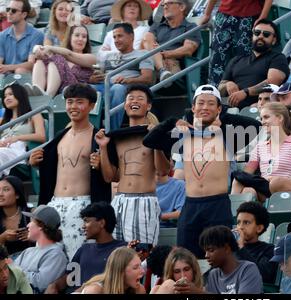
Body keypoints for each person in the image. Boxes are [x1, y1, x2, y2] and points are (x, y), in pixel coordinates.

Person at [143, 84, 261, 258]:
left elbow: (255, 125)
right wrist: (172, 121)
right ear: (193, 107)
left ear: (219, 108)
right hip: (190, 205)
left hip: (217, 204)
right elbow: (149, 141)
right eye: (201, 103)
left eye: (211, 104)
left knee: (220, 257)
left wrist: (222, 119)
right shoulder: (183, 136)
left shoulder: (228, 136)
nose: (205, 107)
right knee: (186, 258)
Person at [29, 84, 111, 260]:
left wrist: (100, 162)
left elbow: (110, 176)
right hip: (55, 204)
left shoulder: (98, 138)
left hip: (82, 205)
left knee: (77, 260)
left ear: (91, 106)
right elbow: (50, 169)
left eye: (79, 102)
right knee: (46, 256)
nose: (73, 106)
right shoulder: (60, 136)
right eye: (69, 102)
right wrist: (35, 163)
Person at [95, 84, 167, 247]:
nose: (134, 101)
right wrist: (103, 147)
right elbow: (110, 177)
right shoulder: (116, 137)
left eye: (140, 98)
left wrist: (155, 139)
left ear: (148, 106)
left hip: (144, 201)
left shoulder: (157, 132)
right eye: (130, 98)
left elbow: (163, 171)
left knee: (143, 253)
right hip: (119, 201)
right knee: (116, 253)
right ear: (125, 104)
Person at [44, 202, 127, 294]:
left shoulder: (122, 249)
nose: (83, 226)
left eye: (87, 221)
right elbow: (70, 277)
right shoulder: (84, 249)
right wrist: (55, 285)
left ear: (102, 223)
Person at [231, 102, 291, 201]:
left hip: (286, 191)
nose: (262, 122)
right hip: (265, 189)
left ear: (280, 118)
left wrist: (275, 179)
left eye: (266, 117)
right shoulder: (260, 146)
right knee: (245, 188)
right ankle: (231, 213)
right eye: (261, 118)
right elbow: (247, 173)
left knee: (276, 182)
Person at [91, 23, 154, 130]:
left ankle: (111, 131)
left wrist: (128, 80)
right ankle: (90, 130)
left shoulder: (142, 54)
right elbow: (97, 74)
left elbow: (148, 78)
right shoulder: (108, 56)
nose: (116, 40)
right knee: (87, 89)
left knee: (118, 88)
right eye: (114, 37)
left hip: (126, 88)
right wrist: (92, 79)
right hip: (105, 85)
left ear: (131, 37)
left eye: (120, 36)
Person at [218, 19, 290, 109]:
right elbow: (220, 88)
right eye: (257, 33)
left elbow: (273, 82)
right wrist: (227, 85)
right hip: (229, 108)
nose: (260, 36)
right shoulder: (237, 59)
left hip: (259, 109)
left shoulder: (278, 58)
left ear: (274, 40)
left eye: (266, 34)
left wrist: (246, 92)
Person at [200, 0, 274, 86]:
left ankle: (244, 88)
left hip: (249, 15)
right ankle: (213, 89)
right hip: (224, 14)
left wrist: (263, 16)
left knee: (244, 55)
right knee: (218, 54)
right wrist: (207, 14)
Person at [141, 0, 201, 83]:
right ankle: (162, 71)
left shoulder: (191, 27)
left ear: (182, 7)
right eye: (164, 4)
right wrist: (158, 57)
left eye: (169, 3)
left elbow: (188, 49)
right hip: (153, 64)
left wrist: (164, 54)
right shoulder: (157, 26)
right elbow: (147, 41)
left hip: (174, 63)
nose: (165, 7)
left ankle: (162, 71)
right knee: (147, 37)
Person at [27, 25, 96, 97]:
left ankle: (48, 96)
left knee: (57, 58)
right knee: (41, 59)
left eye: (84, 37)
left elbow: (69, 54)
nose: (80, 39)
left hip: (75, 91)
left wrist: (48, 48)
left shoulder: (91, 58)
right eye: (77, 35)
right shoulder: (61, 56)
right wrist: (38, 49)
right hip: (58, 90)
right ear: (70, 38)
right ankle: (38, 92)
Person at [15, 205, 68, 293]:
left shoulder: (56, 254)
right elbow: (9, 273)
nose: (27, 225)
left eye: (31, 221)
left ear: (41, 226)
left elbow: (40, 284)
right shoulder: (27, 251)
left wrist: (17, 273)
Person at [200, 225, 263, 294]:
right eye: (205, 251)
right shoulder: (213, 275)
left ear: (227, 248)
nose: (206, 255)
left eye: (211, 250)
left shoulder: (248, 269)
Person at [0, 83, 45, 175]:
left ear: (20, 95)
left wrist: (17, 138)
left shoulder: (34, 115)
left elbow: (41, 136)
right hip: (3, 149)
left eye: (11, 94)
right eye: (5, 96)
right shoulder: (2, 120)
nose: (7, 98)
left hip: (19, 152)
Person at [233, 201, 278, 284]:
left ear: (259, 228)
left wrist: (241, 248)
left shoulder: (269, 250)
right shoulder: (230, 249)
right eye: (238, 222)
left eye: (246, 222)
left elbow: (263, 275)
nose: (240, 227)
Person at [0, 0, 44, 74]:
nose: (9, 13)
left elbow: (31, 64)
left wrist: (8, 67)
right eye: (8, 9)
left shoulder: (37, 35)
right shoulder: (2, 36)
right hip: (5, 76)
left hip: (26, 78)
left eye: (13, 10)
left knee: (20, 70)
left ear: (24, 14)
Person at [80, 247, 146, 294]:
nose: (143, 271)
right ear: (120, 271)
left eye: (141, 265)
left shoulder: (139, 290)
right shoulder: (95, 290)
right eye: (135, 267)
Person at [0, 176, 33, 256]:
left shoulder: (31, 214)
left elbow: (49, 239)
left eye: (6, 189)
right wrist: (2, 238)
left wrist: (33, 236)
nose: (0, 194)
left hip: (29, 263)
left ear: (17, 195)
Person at [156, 160, 185, 228]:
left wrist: (156, 216)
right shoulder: (142, 186)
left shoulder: (180, 185)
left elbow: (181, 213)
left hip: (168, 228)